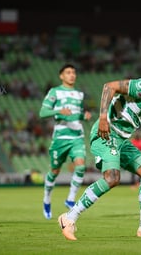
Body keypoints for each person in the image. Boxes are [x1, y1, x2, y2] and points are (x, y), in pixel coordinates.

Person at [58, 61, 141, 241]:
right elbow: (109, 87)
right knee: (112, 178)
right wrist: (103, 117)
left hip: (121, 140)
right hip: (106, 134)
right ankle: (69, 217)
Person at [39, 63, 92, 220]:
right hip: (60, 138)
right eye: (68, 72)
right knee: (54, 172)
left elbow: (78, 114)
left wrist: (84, 116)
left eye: (74, 72)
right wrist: (58, 111)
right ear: (61, 76)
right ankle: (46, 199)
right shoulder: (55, 92)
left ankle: (70, 199)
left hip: (77, 136)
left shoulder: (79, 95)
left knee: (81, 166)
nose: (72, 75)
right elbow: (43, 112)